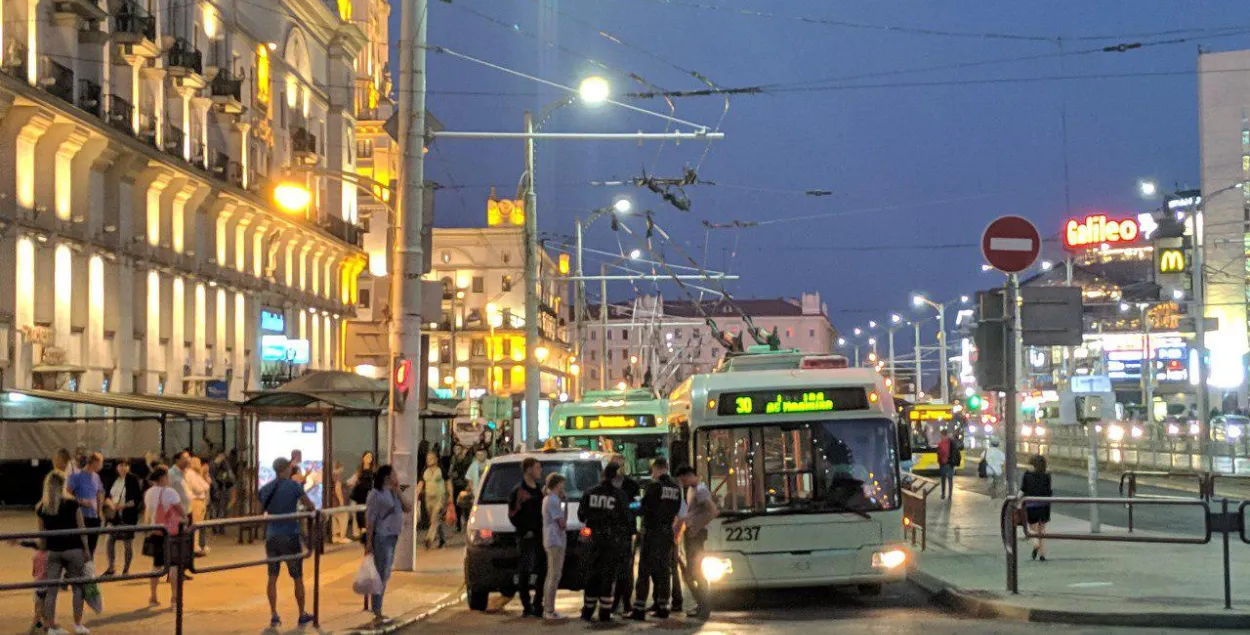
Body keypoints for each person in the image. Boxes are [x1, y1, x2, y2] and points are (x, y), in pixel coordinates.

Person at [257, 457, 316, 629]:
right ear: (286, 469)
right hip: (290, 535)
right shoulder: (294, 487)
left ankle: (274, 614)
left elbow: (259, 510)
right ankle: (302, 613)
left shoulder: (266, 488)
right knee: (297, 577)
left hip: (272, 536)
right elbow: (310, 505)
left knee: (272, 577)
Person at [37, 471, 90, 635]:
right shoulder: (72, 504)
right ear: (63, 485)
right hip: (73, 550)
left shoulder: (42, 508)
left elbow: (42, 536)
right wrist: (86, 549)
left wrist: (43, 551)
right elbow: (82, 529)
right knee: (77, 589)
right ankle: (78, 625)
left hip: (53, 552)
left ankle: (51, 626)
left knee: (51, 591)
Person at [629, 458, 682, 621]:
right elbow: (677, 509)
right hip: (667, 533)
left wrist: (632, 506)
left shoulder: (654, 487)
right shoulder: (676, 488)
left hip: (652, 533)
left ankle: (638, 609)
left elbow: (643, 508)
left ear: (658, 469)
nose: (652, 475)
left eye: (653, 471)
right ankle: (663, 607)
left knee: (644, 570)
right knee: (664, 571)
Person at [578, 463, 630, 623]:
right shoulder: (619, 495)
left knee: (592, 574)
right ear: (615, 477)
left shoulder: (590, 492)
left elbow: (581, 515)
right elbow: (626, 519)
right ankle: (605, 613)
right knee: (608, 576)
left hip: (594, 540)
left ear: (602, 475)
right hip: (612, 541)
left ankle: (587, 611)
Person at [365, 464, 412, 623]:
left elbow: (408, 507)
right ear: (386, 478)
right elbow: (370, 519)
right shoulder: (376, 495)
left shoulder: (394, 493)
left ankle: (378, 608)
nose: (397, 477)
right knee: (381, 573)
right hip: (382, 537)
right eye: (394, 475)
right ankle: (376, 610)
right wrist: (369, 541)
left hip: (393, 536)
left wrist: (398, 491)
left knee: (385, 573)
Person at [676, 465, 717, 620]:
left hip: (697, 534)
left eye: (683, 479)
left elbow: (713, 511)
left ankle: (704, 606)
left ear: (689, 475)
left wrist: (697, 526)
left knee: (696, 572)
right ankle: (701, 605)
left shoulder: (700, 490)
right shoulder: (693, 489)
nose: (682, 483)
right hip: (692, 532)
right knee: (693, 571)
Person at [508, 457, 547, 617]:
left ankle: (538, 602)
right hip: (526, 537)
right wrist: (525, 530)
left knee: (542, 569)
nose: (540, 471)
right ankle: (526, 604)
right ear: (529, 469)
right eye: (537, 468)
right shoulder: (519, 491)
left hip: (540, 535)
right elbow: (513, 514)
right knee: (525, 571)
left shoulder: (539, 490)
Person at [144, 467, 185, 607]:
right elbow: (181, 510)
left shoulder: (148, 493)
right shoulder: (170, 493)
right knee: (173, 566)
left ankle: (153, 597)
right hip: (170, 533)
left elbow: (148, 512)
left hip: (155, 531)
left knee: (156, 566)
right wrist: (186, 519)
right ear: (162, 478)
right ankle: (174, 598)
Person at [608, 454, 641, 615]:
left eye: (621, 465)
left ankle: (626, 602)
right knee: (610, 569)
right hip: (609, 532)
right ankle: (611, 603)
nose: (619, 469)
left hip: (626, 531)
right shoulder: (605, 486)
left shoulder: (632, 485)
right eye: (616, 465)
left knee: (626, 570)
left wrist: (627, 508)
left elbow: (638, 504)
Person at [103, 460, 143, 576]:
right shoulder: (112, 479)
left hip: (128, 515)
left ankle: (126, 569)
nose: (123, 468)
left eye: (126, 465)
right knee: (109, 540)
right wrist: (111, 505)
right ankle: (111, 567)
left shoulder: (132, 480)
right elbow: (106, 495)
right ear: (116, 467)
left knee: (127, 543)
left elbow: (137, 499)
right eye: (121, 465)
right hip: (113, 515)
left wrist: (123, 506)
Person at [541, 473, 569, 621]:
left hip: (553, 540)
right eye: (562, 484)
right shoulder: (552, 500)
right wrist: (565, 503)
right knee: (554, 575)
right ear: (557, 484)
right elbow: (562, 521)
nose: (563, 487)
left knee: (553, 574)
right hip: (555, 540)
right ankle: (549, 609)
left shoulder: (551, 499)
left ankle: (549, 608)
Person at [67, 451, 105, 557]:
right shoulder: (76, 476)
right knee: (81, 547)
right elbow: (66, 494)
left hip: (94, 517)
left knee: (92, 547)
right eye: (101, 462)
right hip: (81, 517)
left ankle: (89, 570)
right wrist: (80, 501)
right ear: (94, 462)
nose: (101, 465)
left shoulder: (96, 477)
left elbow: (100, 492)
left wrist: (100, 511)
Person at [415, 450, 454, 549]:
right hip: (428, 498)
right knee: (435, 520)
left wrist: (450, 496)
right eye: (428, 458)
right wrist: (415, 495)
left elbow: (448, 483)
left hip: (440, 497)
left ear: (436, 459)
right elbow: (420, 484)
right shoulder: (425, 471)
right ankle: (442, 539)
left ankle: (429, 538)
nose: (429, 460)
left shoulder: (441, 470)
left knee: (434, 518)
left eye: (432, 458)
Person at [1021, 455, 1053, 562]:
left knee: (1033, 529)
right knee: (1042, 530)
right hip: (1045, 506)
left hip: (1031, 505)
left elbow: (1023, 490)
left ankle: (1035, 543)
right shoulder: (1047, 475)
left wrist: (1017, 501)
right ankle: (1043, 554)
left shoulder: (1027, 475)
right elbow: (1049, 490)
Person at [185, 456, 211, 556]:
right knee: (195, 526)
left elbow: (207, 484)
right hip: (195, 501)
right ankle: (194, 547)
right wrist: (204, 485)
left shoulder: (195, 474)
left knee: (197, 526)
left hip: (200, 501)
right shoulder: (191, 474)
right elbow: (200, 488)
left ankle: (196, 546)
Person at [348, 452, 376, 540]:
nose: (369, 458)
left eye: (371, 457)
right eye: (367, 456)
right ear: (363, 458)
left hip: (369, 493)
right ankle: (362, 530)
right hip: (359, 493)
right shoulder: (359, 469)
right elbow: (353, 479)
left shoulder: (374, 469)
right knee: (359, 512)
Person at [209, 452, 235, 533]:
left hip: (220, 489)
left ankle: (218, 527)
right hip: (219, 490)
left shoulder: (222, 464)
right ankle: (218, 527)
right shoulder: (213, 465)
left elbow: (230, 476)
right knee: (218, 509)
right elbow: (231, 477)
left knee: (219, 509)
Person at [449, 445, 473, 531]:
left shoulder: (467, 459)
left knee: (465, 505)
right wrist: (452, 474)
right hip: (456, 484)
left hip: (464, 484)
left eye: (458, 449)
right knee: (458, 505)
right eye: (455, 449)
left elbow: (468, 472)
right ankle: (458, 524)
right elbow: (450, 472)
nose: (456, 451)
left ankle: (467, 522)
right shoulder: (453, 459)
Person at [936, 429, 957, 500]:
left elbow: (939, 454)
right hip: (950, 464)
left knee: (943, 479)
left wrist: (939, 461)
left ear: (942, 435)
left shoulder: (940, 444)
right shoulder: (951, 443)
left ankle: (943, 494)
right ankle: (950, 496)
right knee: (950, 480)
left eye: (941, 435)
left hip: (943, 464)